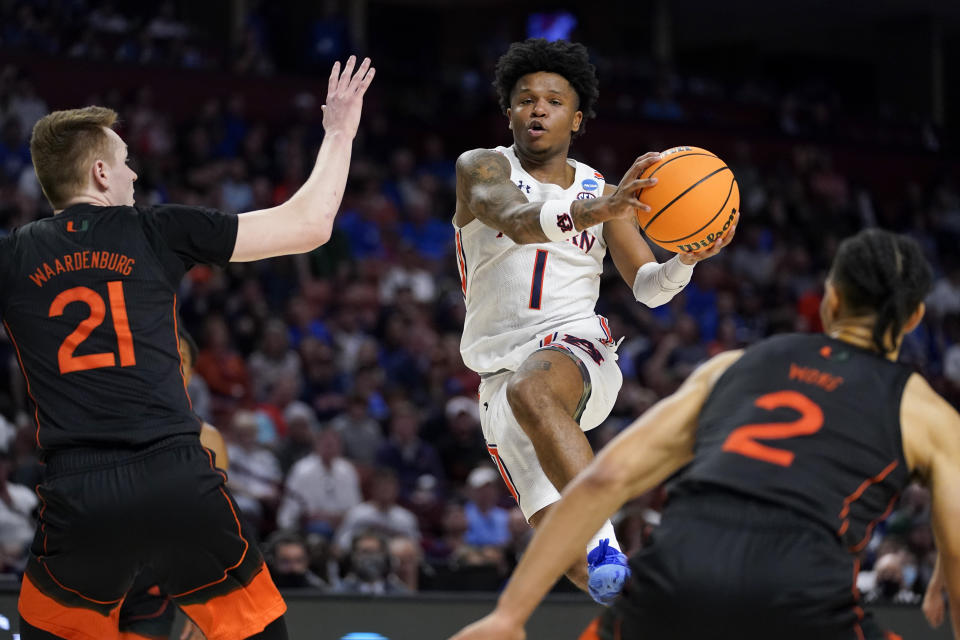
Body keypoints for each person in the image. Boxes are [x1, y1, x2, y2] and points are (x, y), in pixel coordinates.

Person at [2, 55, 374, 640]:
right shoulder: (154, 229)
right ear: (100, 173)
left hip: (77, 491)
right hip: (173, 473)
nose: (134, 175)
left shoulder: (13, 257)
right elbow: (309, 225)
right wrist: (339, 131)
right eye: (126, 164)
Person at [449, 229, 960, 640]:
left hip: (670, 587)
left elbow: (605, 477)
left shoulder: (734, 366)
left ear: (830, 300)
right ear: (915, 317)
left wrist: (510, 615)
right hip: (800, 599)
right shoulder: (928, 412)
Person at [452, 37, 734, 603]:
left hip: (573, 347)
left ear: (576, 119)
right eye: (525, 98)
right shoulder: (481, 167)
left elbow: (649, 290)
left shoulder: (602, 190)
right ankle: (635, 601)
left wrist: (685, 259)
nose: (537, 108)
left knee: (534, 389)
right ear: (508, 111)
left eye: (553, 101)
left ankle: (604, 535)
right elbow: (516, 218)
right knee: (580, 569)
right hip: (495, 375)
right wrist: (593, 212)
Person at [116, 328, 230, 640]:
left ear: (192, 372)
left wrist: (203, 604)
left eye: (180, 360)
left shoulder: (207, 437)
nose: (171, 367)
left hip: (151, 577)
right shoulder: (105, 423)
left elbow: (209, 524)